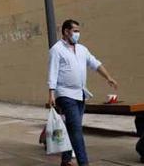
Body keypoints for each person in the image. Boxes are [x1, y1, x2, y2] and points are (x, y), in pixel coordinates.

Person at [48, 19, 118, 166]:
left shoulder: (82, 49)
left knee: (71, 128)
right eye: (75, 31)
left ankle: (66, 161)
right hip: (65, 94)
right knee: (77, 131)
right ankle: (83, 163)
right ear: (66, 32)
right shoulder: (57, 49)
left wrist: (108, 77)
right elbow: (52, 72)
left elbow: (95, 63)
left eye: (78, 31)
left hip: (80, 94)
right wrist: (51, 93)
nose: (77, 34)